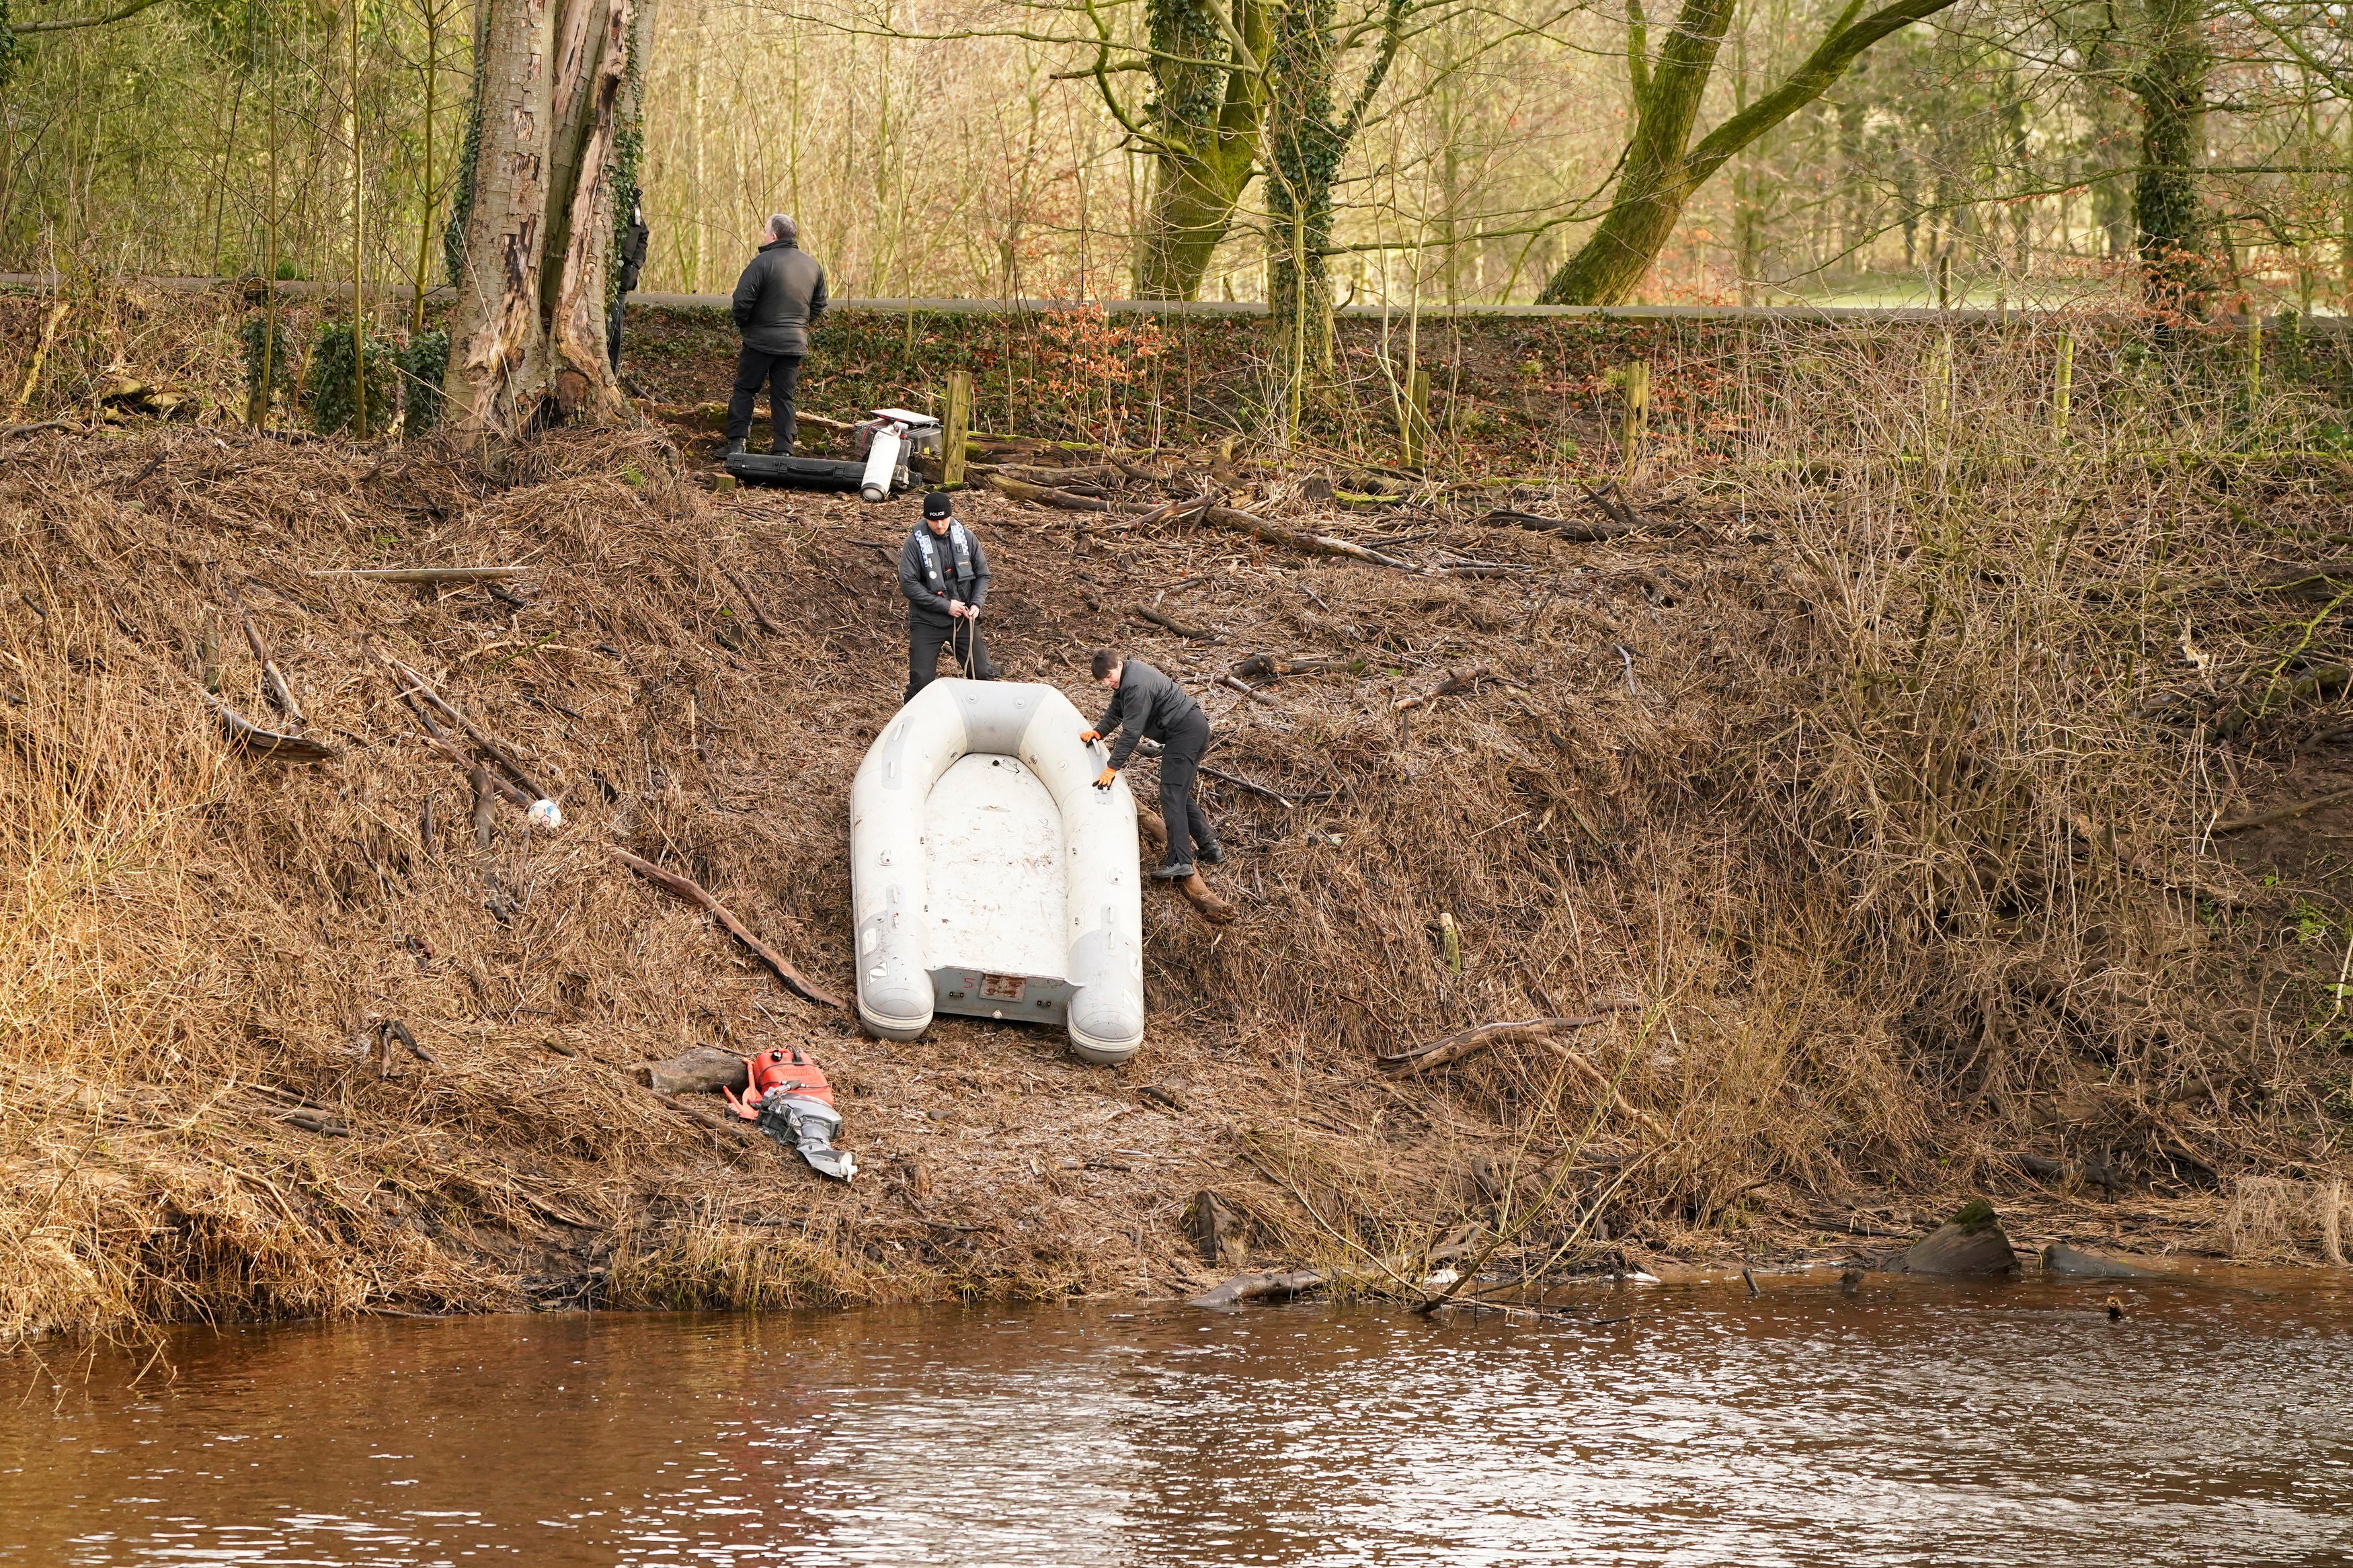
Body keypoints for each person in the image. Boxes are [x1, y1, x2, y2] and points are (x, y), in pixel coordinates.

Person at [1083, 649, 1220, 880]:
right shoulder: (1127, 677)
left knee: (1171, 795)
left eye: (1108, 677)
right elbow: (1116, 712)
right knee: (1179, 793)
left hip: (1185, 733)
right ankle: (1210, 848)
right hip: (1193, 729)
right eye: (1103, 681)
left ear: (1118, 665)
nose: (1107, 683)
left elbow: (1132, 732)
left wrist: (1111, 768)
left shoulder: (1136, 685)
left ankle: (1180, 861)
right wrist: (1098, 732)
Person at [722, 213, 828, 459]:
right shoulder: (812, 265)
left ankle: (737, 445)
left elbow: (741, 302)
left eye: (765, 230)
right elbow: (820, 305)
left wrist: (747, 326)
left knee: (745, 389)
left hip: (760, 341)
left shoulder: (762, 262)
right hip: (794, 343)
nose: (763, 235)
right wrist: (800, 325)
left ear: (774, 235)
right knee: (783, 395)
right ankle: (784, 450)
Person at [898, 491, 998, 700]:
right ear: (926, 518)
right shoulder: (914, 543)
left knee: (982, 674)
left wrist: (977, 603)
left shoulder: (967, 538)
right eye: (934, 520)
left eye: (944, 519)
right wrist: (945, 606)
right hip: (927, 621)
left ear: (950, 516)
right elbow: (908, 584)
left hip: (963, 619)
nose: (940, 525)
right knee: (921, 681)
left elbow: (983, 575)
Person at [607, 187, 649, 373]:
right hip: (594, 272)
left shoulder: (633, 202)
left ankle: (611, 373)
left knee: (615, 328)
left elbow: (643, 235)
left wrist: (635, 263)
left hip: (623, 275)